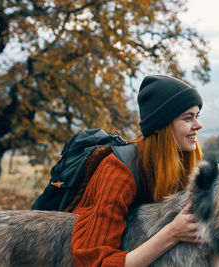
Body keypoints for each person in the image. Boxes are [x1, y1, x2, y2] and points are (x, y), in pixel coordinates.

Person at [70, 75, 204, 267]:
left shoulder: (182, 164)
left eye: (197, 116)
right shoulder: (118, 172)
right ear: (160, 125)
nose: (198, 125)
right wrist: (172, 233)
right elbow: (97, 262)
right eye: (188, 117)